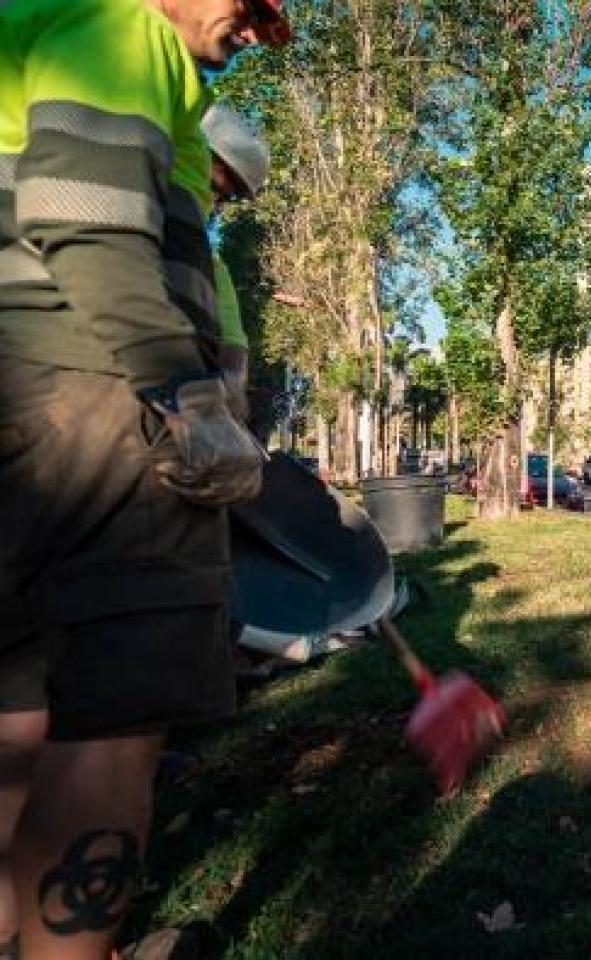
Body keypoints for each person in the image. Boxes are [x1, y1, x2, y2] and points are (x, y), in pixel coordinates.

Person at [0, 0, 290, 957]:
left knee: (21, 711)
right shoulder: (119, 25)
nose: (251, 30)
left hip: (26, 401)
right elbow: (83, 215)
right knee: (115, 723)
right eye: (250, 6)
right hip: (93, 396)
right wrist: (185, 396)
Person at [202, 101, 271, 427]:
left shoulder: (214, 270)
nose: (213, 204)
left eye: (225, 197)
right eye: (215, 187)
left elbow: (233, 352)